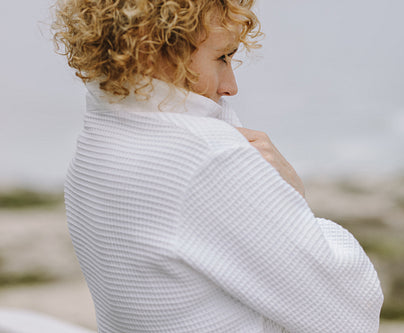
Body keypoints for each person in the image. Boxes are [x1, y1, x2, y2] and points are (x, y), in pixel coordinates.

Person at [52, 0, 383, 332]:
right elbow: (350, 314)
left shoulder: (98, 139)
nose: (231, 86)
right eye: (222, 57)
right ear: (156, 49)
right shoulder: (209, 158)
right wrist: (292, 191)